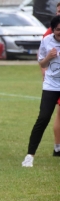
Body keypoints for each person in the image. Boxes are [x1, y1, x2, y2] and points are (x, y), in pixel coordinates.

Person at [22, 15, 60, 167]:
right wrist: (49, 57)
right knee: (43, 118)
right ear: (53, 30)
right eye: (58, 30)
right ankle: (30, 156)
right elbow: (41, 62)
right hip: (51, 85)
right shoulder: (46, 40)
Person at [40, 2, 60, 157]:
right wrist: (43, 71)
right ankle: (57, 146)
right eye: (58, 11)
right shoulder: (49, 33)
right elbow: (42, 53)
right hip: (53, 82)